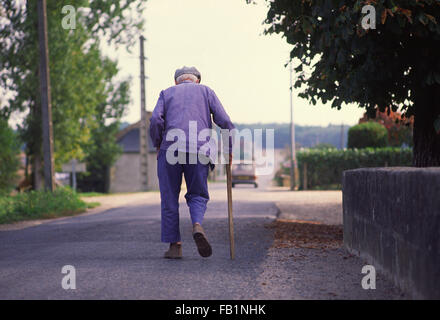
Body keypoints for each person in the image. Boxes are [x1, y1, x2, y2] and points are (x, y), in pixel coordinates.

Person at [149, 66, 234, 259]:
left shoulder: (166, 93)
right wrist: (228, 149)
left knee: (169, 197)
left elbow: (155, 120)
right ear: (197, 80)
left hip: (170, 149)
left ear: (176, 81)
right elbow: (226, 122)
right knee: (197, 194)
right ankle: (197, 224)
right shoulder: (206, 92)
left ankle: (175, 247)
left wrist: (157, 143)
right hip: (200, 150)